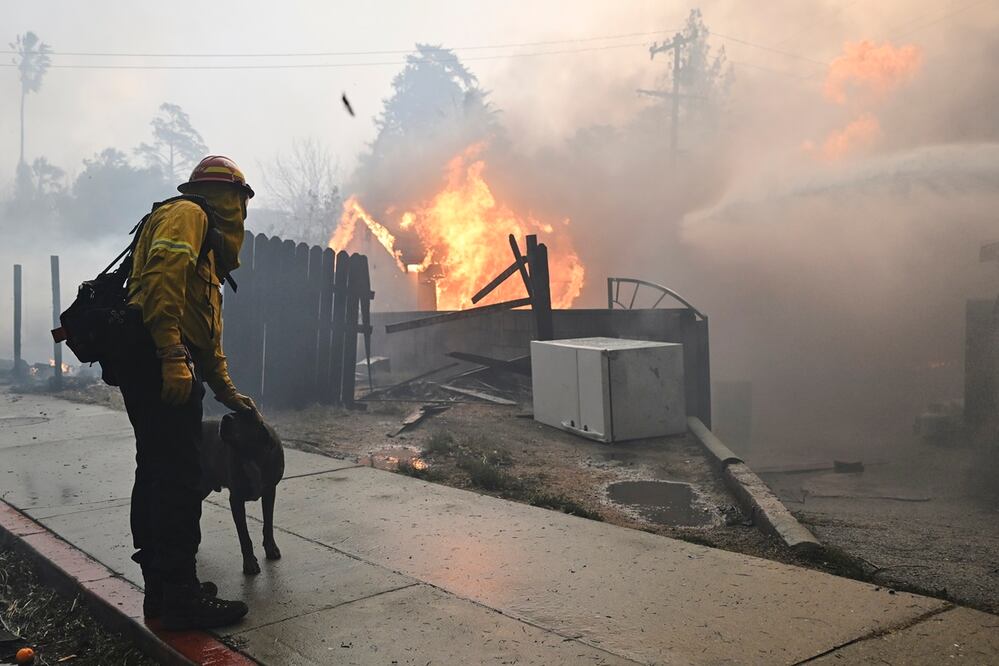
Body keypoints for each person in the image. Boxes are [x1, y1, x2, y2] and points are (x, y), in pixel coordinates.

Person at [118, 155, 256, 630]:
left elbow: (205, 329)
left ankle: (165, 586)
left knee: (159, 469)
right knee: (177, 476)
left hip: (161, 361)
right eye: (240, 200)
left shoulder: (207, 243)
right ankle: (178, 596)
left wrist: (228, 392)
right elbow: (161, 284)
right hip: (157, 364)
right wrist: (172, 355)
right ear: (230, 198)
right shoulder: (189, 216)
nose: (241, 212)